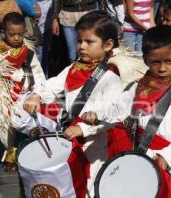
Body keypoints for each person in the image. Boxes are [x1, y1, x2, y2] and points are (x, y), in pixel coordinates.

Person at [82, 25, 171, 197]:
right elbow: (118, 109)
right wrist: (97, 115)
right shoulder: (138, 87)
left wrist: (169, 156)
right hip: (141, 162)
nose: (162, 68)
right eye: (156, 62)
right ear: (146, 60)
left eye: (169, 61)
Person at [23, 10, 123, 197]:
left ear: (108, 45)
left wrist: (84, 129)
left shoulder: (111, 78)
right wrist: (36, 95)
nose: (82, 47)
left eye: (89, 42)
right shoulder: (73, 68)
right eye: (79, 41)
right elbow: (52, 85)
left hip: (94, 144)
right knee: (71, 183)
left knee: (91, 185)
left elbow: (111, 113)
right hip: (70, 138)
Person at [0, 12, 46, 171]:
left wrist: (37, 93)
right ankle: (10, 153)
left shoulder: (29, 54)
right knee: (6, 130)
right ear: (3, 33)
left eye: (20, 34)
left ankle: (21, 156)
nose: (16, 38)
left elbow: (38, 75)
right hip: (5, 96)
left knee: (24, 127)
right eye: (12, 34)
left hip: (24, 96)